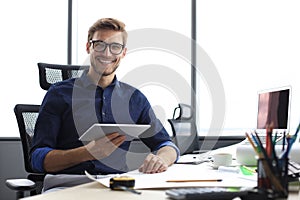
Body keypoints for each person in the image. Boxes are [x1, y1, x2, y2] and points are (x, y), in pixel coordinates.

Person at [30, 18, 179, 176]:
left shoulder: (134, 98)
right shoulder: (59, 93)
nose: (107, 53)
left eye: (115, 47)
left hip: (116, 184)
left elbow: (166, 144)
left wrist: (162, 159)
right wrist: (86, 153)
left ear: (123, 52)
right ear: (89, 47)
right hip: (67, 184)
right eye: (99, 45)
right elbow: (37, 159)